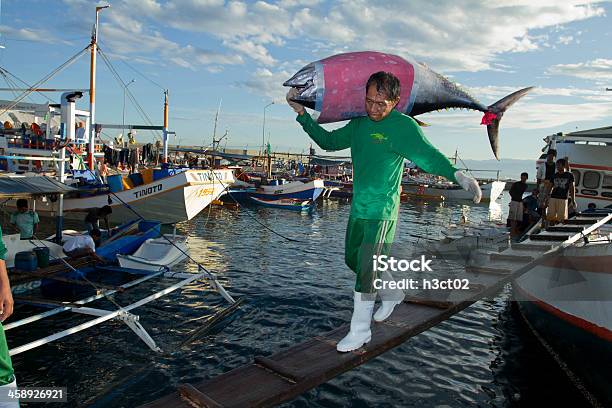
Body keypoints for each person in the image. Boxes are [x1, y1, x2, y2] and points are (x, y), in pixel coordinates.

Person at [286, 71, 481, 353]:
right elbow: (328, 143)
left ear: (396, 101)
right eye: (369, 101)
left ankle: (360, 330)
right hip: (359, 206)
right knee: (354, 260)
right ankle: (391, 292)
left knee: (366, 270)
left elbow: (429, 156)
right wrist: (302, 113)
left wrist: (458, 175)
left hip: (382, 210)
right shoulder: (359, 123)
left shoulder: (404, 127)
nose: (374, 109)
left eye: (381, 104)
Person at [546, 158, 575, 226]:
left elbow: (572, 187)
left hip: (563, 198)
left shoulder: (569, 175)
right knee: (551, 217)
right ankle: (550, 229)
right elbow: (549, 187)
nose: (557, 167)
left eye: (559, 165)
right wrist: (547, 197)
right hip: (553, 198)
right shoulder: (554, 175)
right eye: (557, 165)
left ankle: (559, 229)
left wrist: (573, 200)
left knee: (561, 218)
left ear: (564, 166)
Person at [536, 149, 556, 217]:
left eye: (552, 156)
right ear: (547, 156)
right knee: (542, 204)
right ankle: (542, 218)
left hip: (553, 187)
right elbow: (538, 178)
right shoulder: (542, 166)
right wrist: (537, 188)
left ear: (554, 157)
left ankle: (549, 219)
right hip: (543, 186)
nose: (550, 157)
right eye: (549, 156)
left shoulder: (556, 166)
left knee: (550, 204)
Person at [508, 172, 528, 237]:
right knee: (512, 217)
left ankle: (515, 230)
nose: (523, 179)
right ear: (521, 177)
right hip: (514, 201)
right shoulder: (516, 184)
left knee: (518, 218)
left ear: (526, 178)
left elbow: (520, 194)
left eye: (524, 178)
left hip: (520, 202)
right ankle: (512, 232)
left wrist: (520, 200)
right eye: (522, 177)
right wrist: (514, 197)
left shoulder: (525, 186)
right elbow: (510, 192)